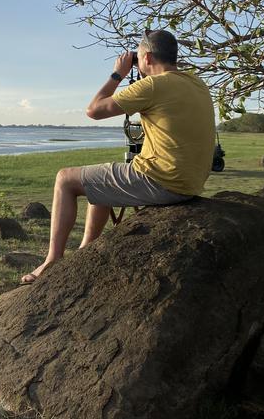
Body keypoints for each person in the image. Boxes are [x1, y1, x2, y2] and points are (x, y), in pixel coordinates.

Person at [20, 29, 215, 284]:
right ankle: (85, 253)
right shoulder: (195, 83)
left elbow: (94, 110)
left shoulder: (154, 85)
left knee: (65, 179)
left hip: (162, 181)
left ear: (146, 58)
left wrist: (118, 74)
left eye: (139, 57)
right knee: (99, 181)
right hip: (190, 183)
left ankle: (52, 260)